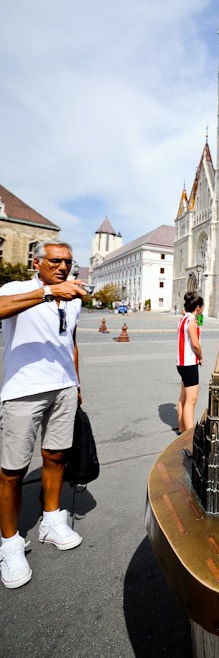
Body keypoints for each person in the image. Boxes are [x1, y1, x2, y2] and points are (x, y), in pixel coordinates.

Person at [0, 240, 88, 589]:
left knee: (55, 456)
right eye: (55, 260)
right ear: (37, 262)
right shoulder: (17, 288)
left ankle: (51, 520)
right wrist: (49, 294)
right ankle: (9, 543)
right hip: (23, 390)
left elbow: (72, 342)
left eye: (67, 261)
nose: (62, 266)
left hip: (63, 387)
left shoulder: (74, 297)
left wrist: (77, 384)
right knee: (12, 471)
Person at [176, 292, 204, 434]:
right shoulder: (191, 321)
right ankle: (190, 435)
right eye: (202, 307)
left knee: (183, 396)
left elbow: (200, 327)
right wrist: (201, 356)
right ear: (198, 307)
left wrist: (198, 313)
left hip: (181, 363)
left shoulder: (184, 318)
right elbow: (195, 343)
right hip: (189, 363)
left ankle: (181, 429)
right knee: (191, 400)